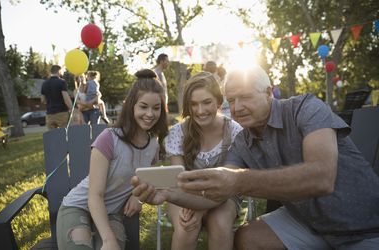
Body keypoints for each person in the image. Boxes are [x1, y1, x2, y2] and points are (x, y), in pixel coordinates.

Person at [132, 65, 379, 250]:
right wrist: (168, 194)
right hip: (308, 222)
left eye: (246, 97)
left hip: (364, 225)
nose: (237, 107)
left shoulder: (306, 109)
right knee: (247, 238)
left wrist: (238, 181)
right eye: (232, 100)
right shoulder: (243, 142)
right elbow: (218, 190)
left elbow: (321, 178)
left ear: (269, 92)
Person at [56, 69, 169, 250]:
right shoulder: (109, 139)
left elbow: (145, 180)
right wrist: (108, 240)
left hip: (111, 213)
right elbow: (95, 195)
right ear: (131, 106)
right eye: (143, 106)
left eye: (156, 108)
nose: (150, 114)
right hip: (79, 206)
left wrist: (137, 197)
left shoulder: (153, 146)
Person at [164, 72, 243, 250]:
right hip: (184, 193)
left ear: (218, 101)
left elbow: (230, 181)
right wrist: (192, 203)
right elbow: (179, 179)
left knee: (220, 223)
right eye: (194, 104)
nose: (200, 111)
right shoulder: (178, 132)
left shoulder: (234, 131)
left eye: (206, 102)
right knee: (187, 226)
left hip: (225, 196)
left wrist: (201, 207)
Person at [41, 65, 73, 130]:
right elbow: (66, 99)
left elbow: (43, 100)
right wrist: (72, 109)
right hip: (61, 112)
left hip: (49, 114)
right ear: (59, 71)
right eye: (62, 71)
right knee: (63, 136)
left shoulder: (44, 83)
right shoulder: (61, 82)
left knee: (52, 137)